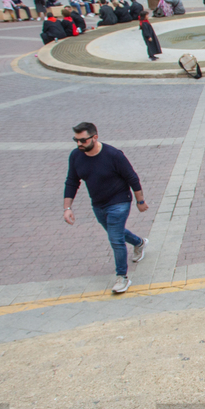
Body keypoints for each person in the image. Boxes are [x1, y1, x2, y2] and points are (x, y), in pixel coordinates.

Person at [63, 122, 148, 295]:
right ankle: (139, 242)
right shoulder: (76, 156)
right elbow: (72, 181)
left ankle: (122, 277)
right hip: (98, 204)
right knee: (114, 232)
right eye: (76, 140)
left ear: (95, 137)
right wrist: (67, 207)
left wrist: (140, 201)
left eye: (83, 140)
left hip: (119, 201)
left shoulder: (113, 155)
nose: (79, 144)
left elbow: (132, 177)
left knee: (115, 239)